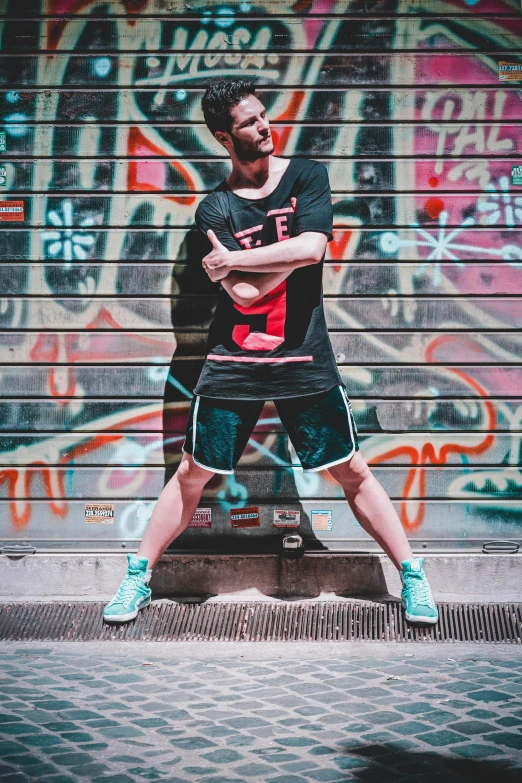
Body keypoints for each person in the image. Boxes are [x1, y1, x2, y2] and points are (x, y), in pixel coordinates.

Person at [103, 79, 438, 626]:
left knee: (350, 470)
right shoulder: (214, 209)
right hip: (234, 364)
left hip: (304, 357)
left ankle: (412, 576)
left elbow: (312, 247)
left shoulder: (307, 176)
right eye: (250, 122)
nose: (265, 126)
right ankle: (138, 577)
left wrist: (259, 257)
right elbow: (244, 295)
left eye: (264, 116)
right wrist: (287, 257)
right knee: (191, 473)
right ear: (223, 137)